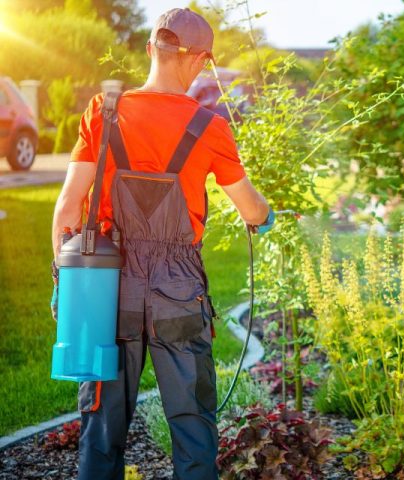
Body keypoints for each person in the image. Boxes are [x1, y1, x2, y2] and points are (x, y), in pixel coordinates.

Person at [50, 8, 271, 480]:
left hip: (108, 288)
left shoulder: (103, 112)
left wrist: (66, 287)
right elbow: (251, 210)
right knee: (193, 430)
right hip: (179, 290)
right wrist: (265, 217)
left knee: (102, 429)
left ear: (151, 49)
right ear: (202, 60)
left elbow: (68, 209)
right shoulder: (210, 127)